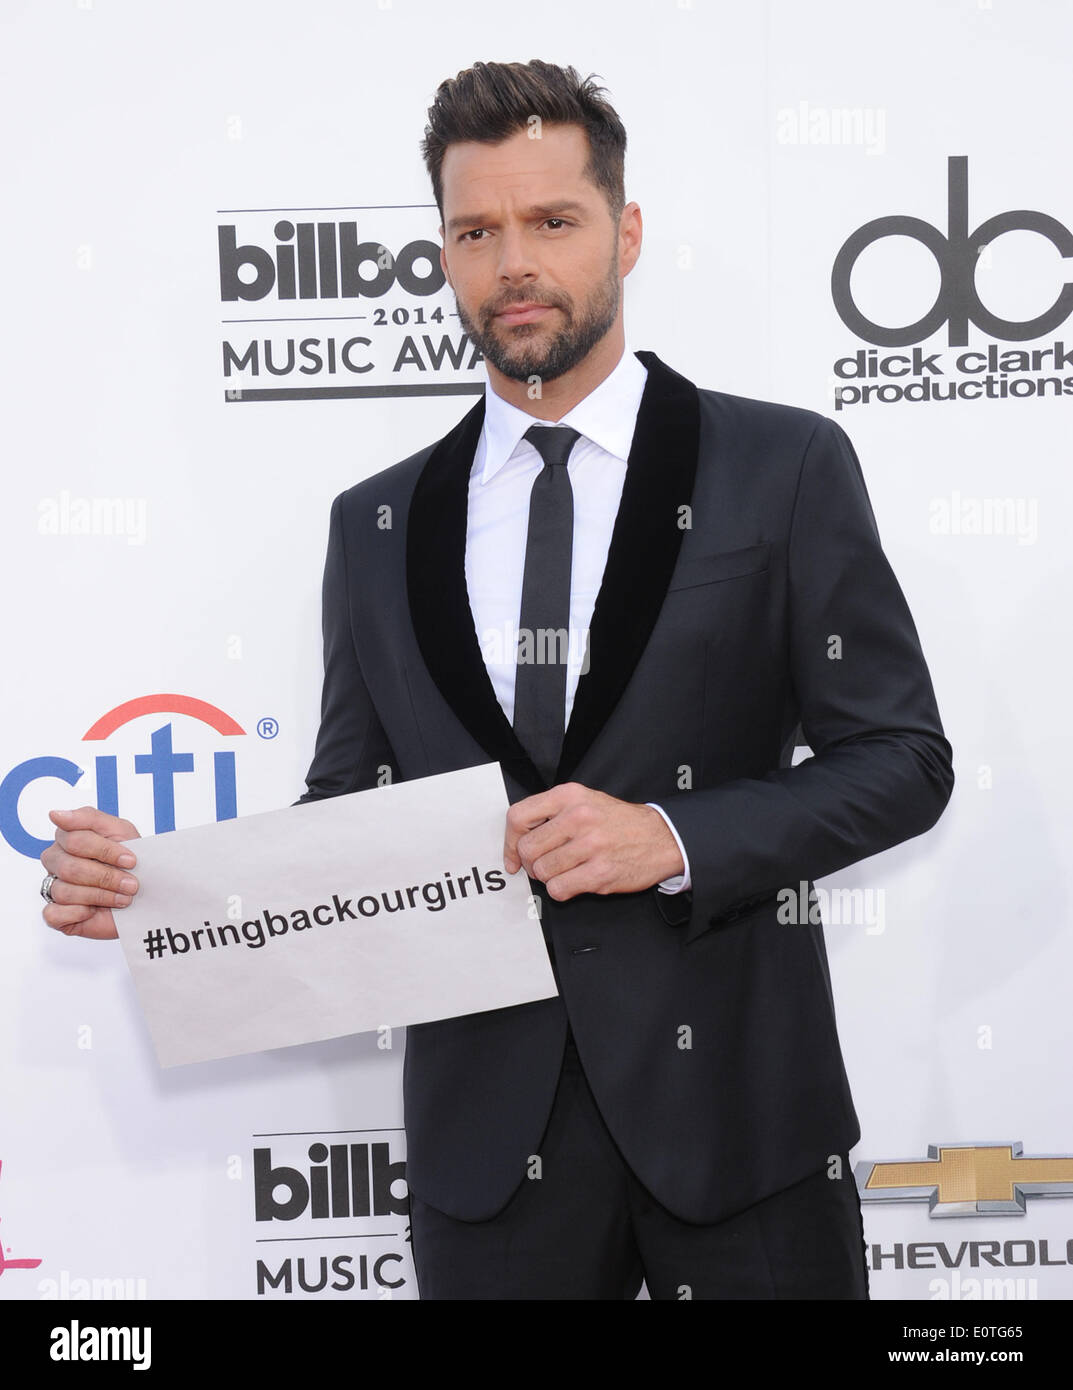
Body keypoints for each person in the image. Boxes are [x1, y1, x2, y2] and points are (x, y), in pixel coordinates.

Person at [39, 59, 954, 1300]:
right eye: (476, 230)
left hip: (743, 1125)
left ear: (624, 232)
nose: (512, 261)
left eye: (551, 221)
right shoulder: (375, 523)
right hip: (489, 1156)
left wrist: (670, 835)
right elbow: (350, 821)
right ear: (443, 253)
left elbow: (900, 760)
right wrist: (164, 905)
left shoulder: (781, 464)